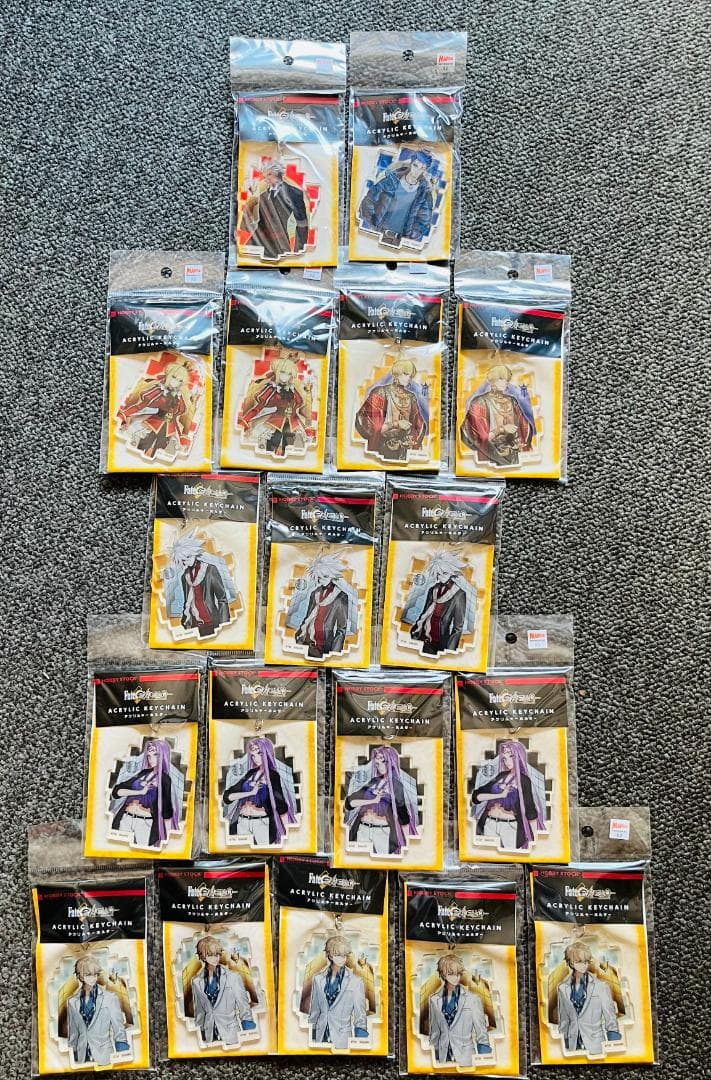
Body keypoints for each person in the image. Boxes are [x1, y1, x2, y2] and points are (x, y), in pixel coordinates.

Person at [117, 351, 197, 461]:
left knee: (163, 447)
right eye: (174, 377)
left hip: (169, 428)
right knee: (142, 443)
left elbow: (178, 416)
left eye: (180, 381)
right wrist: (125, 414)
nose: (176, 382)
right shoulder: (159, 391)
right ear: (168, 376)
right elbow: (141, 406)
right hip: (152, 421)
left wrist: (182, 436)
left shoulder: (180, 397)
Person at [471, 740, 546, 851]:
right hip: (489, 823)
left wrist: (535, 841)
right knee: (488, 854)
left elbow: (530, 810)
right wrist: (499, 795)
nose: (507, 761)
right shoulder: (501, 776)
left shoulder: (524, 780)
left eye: (511, 756)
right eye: (504, 758)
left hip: (509, 826)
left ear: (519, 757)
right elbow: (477, 795)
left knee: (510, 856)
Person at [222, 737, 297, 846]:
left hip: (261, 822)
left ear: (267, 753)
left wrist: (287, 833)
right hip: (242, 822)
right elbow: (227, 796)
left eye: (259, 754)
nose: (255, 758)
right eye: (253, 755)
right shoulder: (250, 773)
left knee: (263, 851)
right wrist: (250, 793)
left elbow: (280, 805)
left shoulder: (273, 775)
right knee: (240, 851)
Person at [344, 746, 418, 856]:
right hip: (362, 829)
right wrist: (370, 800)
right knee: (359, 860)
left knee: (382, 861)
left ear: (391, 762)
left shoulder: (396, 785)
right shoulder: (374, 781)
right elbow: (350, 802)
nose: (380, 767)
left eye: (384, 762)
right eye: (377, 764)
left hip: (382, 831)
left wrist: (407, 845)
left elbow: (403, 816)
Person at [238, 353, 314, 457]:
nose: (285, 376)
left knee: (292, 447)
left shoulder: (293, 389)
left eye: (288, 374)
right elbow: (258, 408)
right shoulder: (271, 389)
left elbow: (298, 406)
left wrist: (306, 424)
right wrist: (245, 420)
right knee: (271, 445)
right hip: (275, 422)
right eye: (282, 372)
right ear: (277, 372)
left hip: (293, 423)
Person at [163, 531, 236, 638]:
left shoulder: (210, 570)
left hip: (211, 623)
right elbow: (186, 602)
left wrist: (224, 625)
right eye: (183, 561)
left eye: (188, 557)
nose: (186, 562)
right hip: (193, 625)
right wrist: (185, 622)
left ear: (194, 553)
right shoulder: (184, 577)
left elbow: (222, 599)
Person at [402, 552, 477, 656]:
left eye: (444, 573)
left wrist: (449, 652)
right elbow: (424, 613)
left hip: (439, 643)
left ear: (452, 573)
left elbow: (457, 628)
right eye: (438, 574)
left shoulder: (459, 594)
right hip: (421, 636)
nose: (441, 577)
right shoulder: (433, 589)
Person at [110, 738, 180, 850]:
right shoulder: (143, 773)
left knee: (142, 852)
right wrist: (140, 792)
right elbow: (117, 791)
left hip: (144, 822)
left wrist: (167, 839)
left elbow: (166, 811)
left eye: (155, 755)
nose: (151, 759)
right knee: (119, 849)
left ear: (163, 755)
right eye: (149, 756)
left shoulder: (165, 779)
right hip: (126, 818)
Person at [460, 364, 535, 467]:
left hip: (514, 455)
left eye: (506, 379)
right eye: (501, 379)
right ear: (492, 380)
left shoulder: (512, 401)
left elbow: (525, 427)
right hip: (490, 457)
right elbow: (479, 436)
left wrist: (521, 442)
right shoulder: (479, 402)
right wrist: (501, 429)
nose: (505, 382)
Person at [354, 357, 428, 462]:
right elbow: (371, 427)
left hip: (403, 450)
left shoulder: (411, 397)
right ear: (397, 373)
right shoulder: (380, 392)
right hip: (381, 449)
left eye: (411, 376)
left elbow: (419, 426)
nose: (409, 378)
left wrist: (410, 439)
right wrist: (396, 424)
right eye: (406, 374)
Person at [358, 150, 435, 248]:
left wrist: (410, 236)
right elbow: (368, 200)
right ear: (411, 163)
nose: (417, 171)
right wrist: (372, 223)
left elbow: (424, 221)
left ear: (425, 170)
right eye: (415, 165)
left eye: (422, 168)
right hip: (376, 233)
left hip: (400, 241)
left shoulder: (425, 193)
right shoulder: (391, 180)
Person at [286, 554, 358, 660]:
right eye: (319, 577)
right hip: (304, 641)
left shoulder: (341, 596)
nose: (321, 580)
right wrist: (298, 635)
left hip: (323, 646)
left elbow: (341, 629)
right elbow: (307, 617)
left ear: (332, 575)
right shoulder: (314, 593)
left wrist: (335, 653)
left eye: (325, 576)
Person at [556, 942, 621, 1056]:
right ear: (571, 963)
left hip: (596, 1047)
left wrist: (614, 1047)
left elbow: (611, 1019)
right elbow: (564, 1021)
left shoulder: (601, 987)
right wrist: (563, 1046)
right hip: (572, 1047)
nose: (584, 965)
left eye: (586, 961)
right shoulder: (562, 988)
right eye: (579, 961)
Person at [191, 935, 256, 1046]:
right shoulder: (197, 982)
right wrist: (200, 1037)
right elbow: (200, 1012)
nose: (215, 958)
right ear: (203, 956)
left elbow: (244, 1008)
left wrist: (249, 1035)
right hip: (209, 1037)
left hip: (231, 1036)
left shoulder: (233, 977)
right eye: (210, 955)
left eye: (217, 954)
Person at [428, 954, 491, 1066]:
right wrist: (433, 1060)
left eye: (458, 973)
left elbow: (481, 1034)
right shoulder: (434, 1000)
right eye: (451, 973)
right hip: (443, 1059)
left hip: (466, 1059)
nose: (456, 977)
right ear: (443, 974)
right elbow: (435, 1034)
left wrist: (485, 1060)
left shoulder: (472, 999)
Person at [239, 161, 309, 261]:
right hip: (260, 240)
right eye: (264, 175)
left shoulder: (295, 193)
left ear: (277, 173)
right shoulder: (263, 196)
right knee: (246, 259)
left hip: (281, 242)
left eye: (269, 174)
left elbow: (302, 223)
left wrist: (300, 249)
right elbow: (257, 221)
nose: (265, 178)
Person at [66, 956, 129, 1066]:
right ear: (80, 976)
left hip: (104, 1057)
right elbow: (73, 1035)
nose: (93, 978)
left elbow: (119, 1031)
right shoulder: (72, 1002)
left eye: (95, 974)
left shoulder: (110, 998)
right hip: (81, 1058)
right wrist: (71, 1060)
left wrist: (123, 1058)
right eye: (88, 974)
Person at [309, 935, 368, 1049]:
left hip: (342, 1040)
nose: (342, 959)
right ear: (330, 955)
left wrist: (361, 1044)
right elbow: (314, 1012)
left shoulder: (356, 982)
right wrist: (311, 1037)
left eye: (344, 955)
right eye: (338, 955)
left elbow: (360, 1017)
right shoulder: (318, 979)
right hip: (320, 1038)